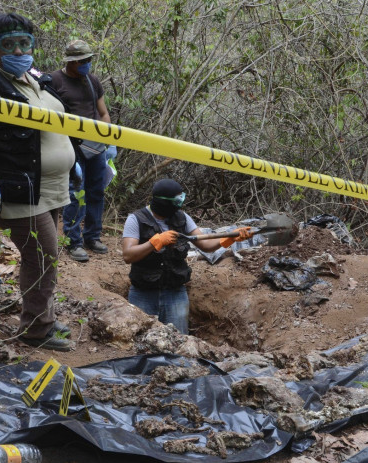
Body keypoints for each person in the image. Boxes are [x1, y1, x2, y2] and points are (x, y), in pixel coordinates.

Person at [0, 12, 75, 351]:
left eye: (25, 43)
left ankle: (45, 316)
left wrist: (75, 161)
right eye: (9, 44)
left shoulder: (36, 80)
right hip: (18, 190)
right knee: (43, 255)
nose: (19, 50)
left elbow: (58, 125)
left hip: (50, 187)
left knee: (42, 256)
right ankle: (36, 330)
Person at [122, 179, 253, 334]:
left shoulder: (182, 218)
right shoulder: (136, 219)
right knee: (140, 342)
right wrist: (154, 242)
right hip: (143, 292)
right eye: (176, 200)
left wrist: (230, 238)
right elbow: (128, 255)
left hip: (175, 292)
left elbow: (206, 245)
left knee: (179, 342)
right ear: (162, 202)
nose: (180, 204)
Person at [49, 39, 115, 262]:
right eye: (82, 61)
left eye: (89, 59)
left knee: (97, 190)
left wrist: (107, 140)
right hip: (69, 145)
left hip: (95, 145)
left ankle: (92, 236)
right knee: (75, 193)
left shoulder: (92, 80)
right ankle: (73, 241)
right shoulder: (54, 81)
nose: (87, 64)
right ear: (71, 62)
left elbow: (103, 112)